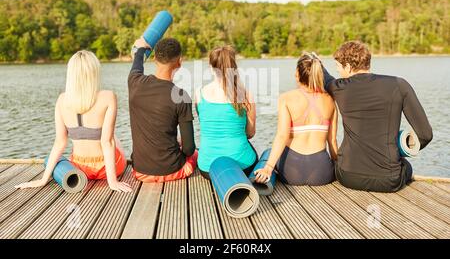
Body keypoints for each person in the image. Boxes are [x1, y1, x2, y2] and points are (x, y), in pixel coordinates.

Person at [322, 40, 433, 192]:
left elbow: (326, 79)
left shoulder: (339, 87)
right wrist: (399, 150)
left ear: (347, 66)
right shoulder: (399, 85)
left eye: (339, 68)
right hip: (388, 180)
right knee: (406, 167)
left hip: (347, 176)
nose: (339, 73)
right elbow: (425, 135)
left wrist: (317, 63)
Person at [16, 50, 131, 192]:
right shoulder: (108, 97)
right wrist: (112, 182)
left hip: (79, 169)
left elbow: (60, 143)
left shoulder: (62, 100)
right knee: (113, 137)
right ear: (94, 72)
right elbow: (107, 142)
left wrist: (43, 179)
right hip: (104, 170)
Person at [254, 53, 338, 186]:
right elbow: (332, 140)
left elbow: (282, 136)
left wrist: (268, 168)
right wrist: (337, 165)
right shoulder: (330, 100)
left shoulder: (286, 98)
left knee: (270, 152)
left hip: (291, 170)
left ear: (297, 74)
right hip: (321, 171)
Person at [129, 37, 197, 183]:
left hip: (140, 172)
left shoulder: (135, 82)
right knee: (196, 154)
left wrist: (141, 49)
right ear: (179, 62)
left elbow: (137, 64)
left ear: (154, 58)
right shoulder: (181, 96)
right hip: (172, 171)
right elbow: (189, 149)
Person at [195, 45, 257, 179]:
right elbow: (250, 133)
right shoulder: (245, 94)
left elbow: (206, 125)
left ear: (211, 68)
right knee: (252, 152)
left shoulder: (199, 93)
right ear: (234, 68)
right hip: (242, 167)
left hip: (207, 168)